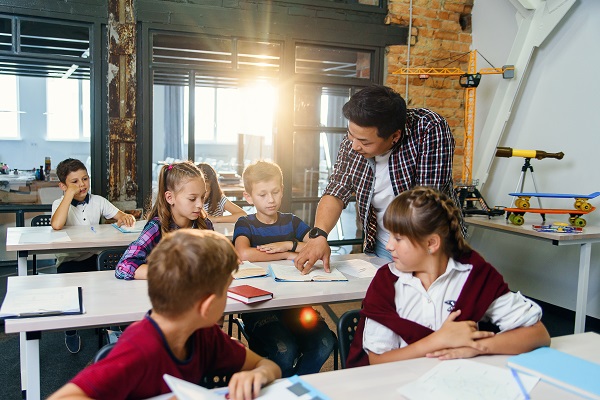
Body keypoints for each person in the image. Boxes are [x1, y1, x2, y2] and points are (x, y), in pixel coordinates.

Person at [48, 229, 281, 400]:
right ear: (207, 306)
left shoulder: (205, 335)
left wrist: (258, 374)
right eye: (226, 289)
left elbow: (269, 366)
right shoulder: (140, 348)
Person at [346, 186, 551, 368]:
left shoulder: (474, 275)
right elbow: (377, 361)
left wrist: (476, 347)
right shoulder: (386, 282)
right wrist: (439, 340)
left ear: (431, 244)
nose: (389, 245)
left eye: (398, 238)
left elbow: (538, 334)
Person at [295, 84, 463, 274]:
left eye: (365, 142)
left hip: (427, 244)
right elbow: (337, 188)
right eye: (350, 136)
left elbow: (427, 203)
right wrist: (319, 235)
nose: (354, 146)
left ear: (395, 136)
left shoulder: (429, 128)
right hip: (383, 244)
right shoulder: (356, 138)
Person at [233, 160, 335, 377]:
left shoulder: (292, 222)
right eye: (262, 195)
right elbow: (243, 253)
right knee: (285, 350)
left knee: (326, 342)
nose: (271, 200)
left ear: (282, 191)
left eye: (275, 192)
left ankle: (294, 386)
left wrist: (291, 244)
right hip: (260, 307)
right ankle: (285, 388)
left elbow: (319, 247)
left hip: (295, 304)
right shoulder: (245, 223)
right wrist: (288, 254)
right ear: (249, 197)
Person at [50, 157, 136, 353]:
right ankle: (71, 330)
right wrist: (68, 196)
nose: (82, 185)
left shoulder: (98, 201)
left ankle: (112, 325)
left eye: (85, 179)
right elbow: (57, 224)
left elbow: (119, 215)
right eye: (74, 182)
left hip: (94, 257)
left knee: (111, 286)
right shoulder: (59, 203)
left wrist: (125, 217)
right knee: (72, 299)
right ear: (62, 186)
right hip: (69, 261)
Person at [115, 161, 212, 280]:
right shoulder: (156, 227)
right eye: (192, 199)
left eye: (202, 197)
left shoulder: (204, 224)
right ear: (170, 198)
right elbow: (123, 267)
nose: (200, 204)